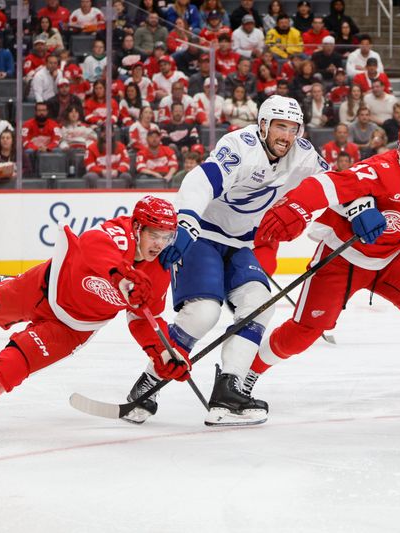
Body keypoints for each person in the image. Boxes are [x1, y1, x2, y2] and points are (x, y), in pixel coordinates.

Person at [122, 95, 331, 426]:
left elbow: (334, 185)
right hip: (204, 235)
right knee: (203, 313)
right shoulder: (240, 144)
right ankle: (149, 381)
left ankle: (228, 389)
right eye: (280, 127)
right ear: (263, 125)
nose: (286, 136)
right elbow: (201, 179)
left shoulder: (302, 154)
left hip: (241, 243)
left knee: (260, 304)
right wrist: (188, 219)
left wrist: (361, 210)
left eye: (293, 128)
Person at [0, 197, 182, 441]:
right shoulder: (118, 233)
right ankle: (7, 283)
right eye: (154, 234)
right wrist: (122, 274)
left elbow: (144, 320)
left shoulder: (159, 272)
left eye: (167, 236)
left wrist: (163, 354)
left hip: (70, 329)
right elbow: (92, 244)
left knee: (9, 369)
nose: (160, 244)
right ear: (137, 227)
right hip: (44, 286)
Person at [252, 118, 400, 415]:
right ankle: (246, 374)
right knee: (304, 332)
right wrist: (295, 205)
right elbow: (327, 183)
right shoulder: (379, 169)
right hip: (342, 259)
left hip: (389, 260)